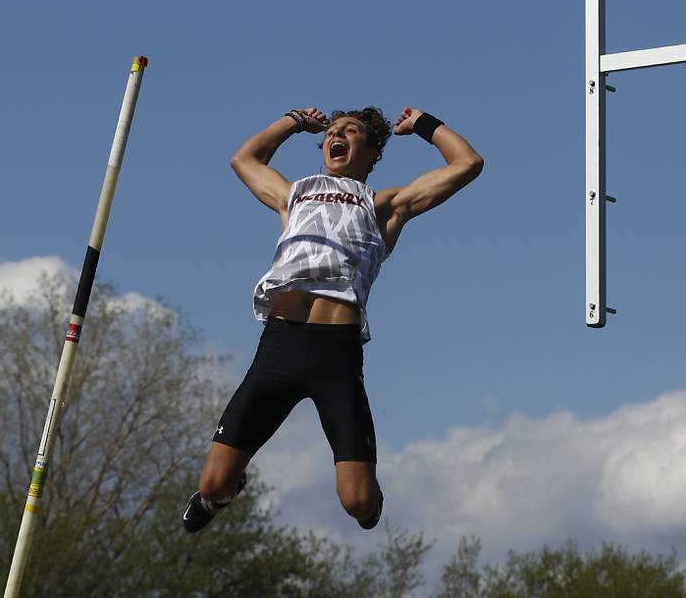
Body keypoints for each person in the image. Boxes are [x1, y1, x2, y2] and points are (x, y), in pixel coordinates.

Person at [182, 105, 483, 532]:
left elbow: (468, 163)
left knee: (358, 505)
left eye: (351, 131)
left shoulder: (384, 205)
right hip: (278, 349)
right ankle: (219, 497)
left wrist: (424, 125)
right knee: (213, 485)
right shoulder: (294, 195)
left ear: (373, 150)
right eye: (333, 131)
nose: (337, 134)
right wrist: (293, 121)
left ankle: (370, 499)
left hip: (336, 357)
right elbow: (244, 160)